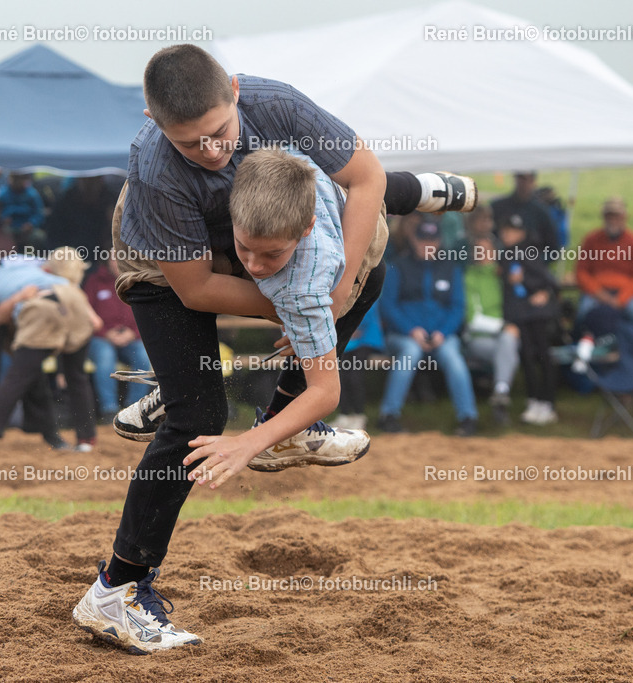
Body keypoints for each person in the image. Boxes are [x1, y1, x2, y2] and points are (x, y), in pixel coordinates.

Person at [70, 44, 477, 654]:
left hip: (262, 235)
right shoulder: (157, 172)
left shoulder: (277, 107)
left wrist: (336, 294)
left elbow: (365, 179)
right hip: (172, 260)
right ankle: (116, 591)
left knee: (372, 270)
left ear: (235, 91)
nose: (210, 152)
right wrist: (304, 311)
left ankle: (279, 424)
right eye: (191, 144)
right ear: (156, 124)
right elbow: (199, 288)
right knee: (198, 417)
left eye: (218, 133)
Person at [0, 249, 101, 454]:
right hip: (73, 303)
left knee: (17, 376)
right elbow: (96, 322)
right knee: (76, 375)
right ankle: (87, 439)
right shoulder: (48, 271)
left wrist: (18, 300)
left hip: (40, 312)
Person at [375, 220, 478, 436]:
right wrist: (411, 330)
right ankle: (389, 415)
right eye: (422, 241)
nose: (427, 246)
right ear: (414, 240)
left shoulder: (451, 268)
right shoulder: (398, 265)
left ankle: (468, 418)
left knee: (453, 357)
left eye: (431, 241)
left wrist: (443, 332)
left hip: (442, 335)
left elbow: (458, 307)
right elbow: (388, 306)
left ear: (439, 242)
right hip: (404, 335)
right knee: (410, 353)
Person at [498, 215, 560, 425]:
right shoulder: (506, 254)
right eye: (505, 230)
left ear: (522, 233)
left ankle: (547, 402)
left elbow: (547, 281)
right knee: (527, 356)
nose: (507, 235)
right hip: (520, 314)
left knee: (542, 355)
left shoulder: (529, 252)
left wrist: (539, 290)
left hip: (536, 314)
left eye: (512, 231)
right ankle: (534, 400)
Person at [83, 258, 152, 424]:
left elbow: (148, 312)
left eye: (123, 257)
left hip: (132, 337)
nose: (118, 262)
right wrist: (104, 332)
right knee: (105, 357)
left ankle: (135, 409)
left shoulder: (138, 280)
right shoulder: (94, 281)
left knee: (143, 356)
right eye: (114, 258)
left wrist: (133, 332)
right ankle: (109, 410)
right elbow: (84, 312)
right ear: (107, 260)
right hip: (100, 337)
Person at [463, 235, 520, 425]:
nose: (483, 255)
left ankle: (500, 394)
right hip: (478, 338)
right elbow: (473, 320)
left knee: (507, 344)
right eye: (478, 251)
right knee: (509, 351)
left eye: (487, 250)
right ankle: (501, 393)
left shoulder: (501, 275)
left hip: (505, 338)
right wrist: (503, 327)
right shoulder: (469, 277)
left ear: (495, 253)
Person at [575, 196, 633, 325]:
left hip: (624, 291)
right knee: (582, 314)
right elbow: (581, 272)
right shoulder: (591, 239)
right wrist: (599, 294)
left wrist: (621, 299)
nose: (613, 220)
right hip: (597, 290)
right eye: (609, 216)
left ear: (625, 218)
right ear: (603, 218)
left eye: (617, 216)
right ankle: (582, 343)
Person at [334, 297, 384, 431]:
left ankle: (359, 416)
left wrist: (353, 327)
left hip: (367, 340)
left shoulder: (366, 282)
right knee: (340, 374)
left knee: (354, 376)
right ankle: (344, 415)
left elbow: (368, 306)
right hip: (347, 340)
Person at [490, 171, 560, 258]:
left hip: (531, 263)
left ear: (533, 182)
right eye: (520, 179)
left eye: (527, 180)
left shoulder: (541, 212)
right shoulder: (498, 207)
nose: (523, 184)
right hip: (502, 262)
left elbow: (553, 249)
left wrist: (535, 261)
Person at [0, 172, 46, 250]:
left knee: (39, 238)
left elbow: (39, 214)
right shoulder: (3, 194)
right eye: (14, 179)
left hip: (27, 229)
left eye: (19, 179)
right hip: (9, 228)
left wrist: (31, 223)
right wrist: (3, 219)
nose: (16, 182)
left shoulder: (32, 194)